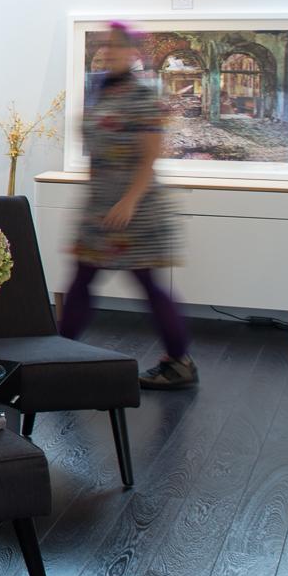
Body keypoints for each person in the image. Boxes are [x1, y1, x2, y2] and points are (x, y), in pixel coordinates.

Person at [59, 22, 197, 389]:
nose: (109, 52)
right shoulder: (101, 91)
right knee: (81, 280)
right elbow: (95, 151)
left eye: (117, 47)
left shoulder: (142, 97)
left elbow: (149, 158)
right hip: (101, 205)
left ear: (132, 54)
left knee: (147, 284)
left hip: (135, 210)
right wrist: (91, 199)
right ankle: (58, 355)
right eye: (105, 46)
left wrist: (129, 201)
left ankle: (179, 361)